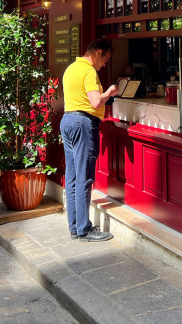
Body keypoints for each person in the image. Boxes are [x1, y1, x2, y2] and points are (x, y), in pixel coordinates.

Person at [61, 39, 118, 242]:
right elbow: (95, 101)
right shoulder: (89, 72)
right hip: (83, 123)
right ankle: (85, 228)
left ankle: (75, 226)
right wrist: (109, 93)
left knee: (72, 177)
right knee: (84, 177)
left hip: (67, 120)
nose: (105, 64)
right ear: (98, 53)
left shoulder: (71, 68)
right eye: (106, 59)